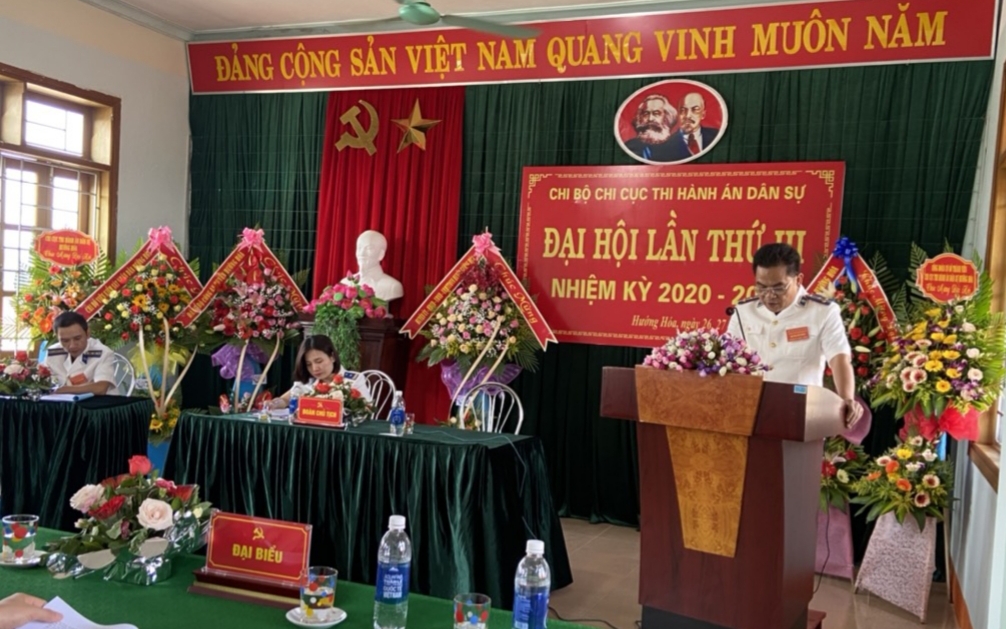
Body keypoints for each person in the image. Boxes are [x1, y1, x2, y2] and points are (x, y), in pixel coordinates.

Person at [727, 243, 863, 428]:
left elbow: (839, 358)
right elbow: (728, 358)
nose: (769, 295)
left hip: (802, 414)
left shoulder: (822, 312)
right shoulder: (743, 311)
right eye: (761, 287)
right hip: (751, 413)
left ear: (798, 280)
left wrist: (846, 398)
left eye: (779, 288)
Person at [268, 335, 370, 409]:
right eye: (308, 364)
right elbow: (285, 400)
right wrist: (273, 404)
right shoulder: (308, 381)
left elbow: (367, 409)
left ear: (332, 357)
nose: (314, 368)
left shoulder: (353, 380)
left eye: (319, 361)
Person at [44, 310, 118, 396]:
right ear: (57, 337)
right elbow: (41, 380)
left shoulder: (103, 353)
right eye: (65, 340)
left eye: (77, 338)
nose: (72, 345)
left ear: (87, 334)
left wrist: (63, 389)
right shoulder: (52, 352)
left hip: (98, 402)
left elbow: (100, 388)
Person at [624, 94, 681, 162]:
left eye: (656, 113)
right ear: (640, 117)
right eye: (646, 114)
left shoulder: (677, 147)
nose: (650, 119)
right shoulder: (630, 146)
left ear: (666, 117)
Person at [665, 92, 721, 161]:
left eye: (695, 110)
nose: (688, 115)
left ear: (703, 114)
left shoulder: (716, 135)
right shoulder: (667, 144)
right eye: (683, 110)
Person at [356, 230, 403, 303]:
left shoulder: (392, 286)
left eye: (369, 248)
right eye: (359, 248)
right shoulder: (345, 283)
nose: (361, 254)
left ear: (381, 254)